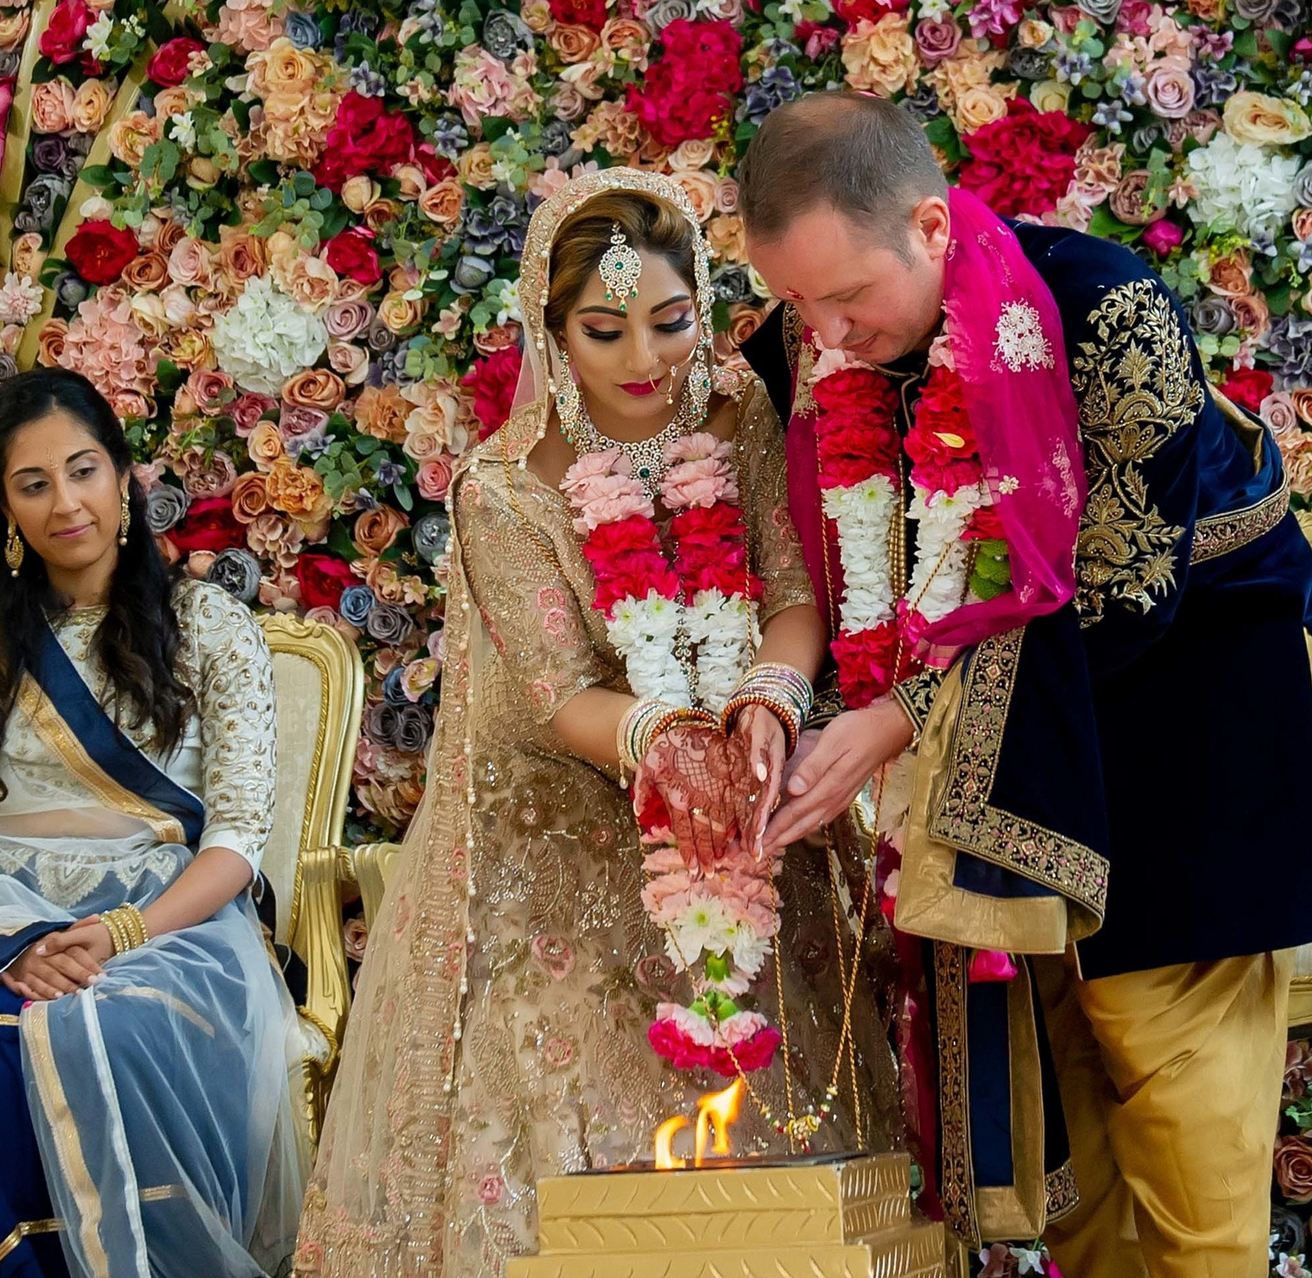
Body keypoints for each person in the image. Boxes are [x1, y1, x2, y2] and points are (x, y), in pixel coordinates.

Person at [737, 93, 1312, 1278]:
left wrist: (902, 718)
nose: (825, 334)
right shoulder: (815, 345)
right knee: (1061, 1113)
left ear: (931, 228)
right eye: (797, 303)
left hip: (1193, 706)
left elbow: (1120, 585)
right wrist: (784, 703)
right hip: (1011, 758)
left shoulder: (1105, 310)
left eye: (847, 297)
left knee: (1176, 1091)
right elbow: (819, 569)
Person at [296, 169, 902, 1278]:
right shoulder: (504, 489)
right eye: (604, 331)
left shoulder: (738, 409)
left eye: (670, 322)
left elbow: (788, 588)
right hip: (565, 832)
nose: (643, 361)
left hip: (742, 810)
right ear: (552, 331)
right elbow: (562, 689)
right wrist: (668, 741)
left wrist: (768, 698)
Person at [0, 367, 305, 1277]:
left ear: (124, 477)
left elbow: (236, 838)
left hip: (171, 929)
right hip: (0, 925)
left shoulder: (209, 626)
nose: (65, 503)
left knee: (107, 1034)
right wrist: (6, 947)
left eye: (83, 471)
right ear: (7, 508)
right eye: (33, 484)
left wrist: (121, 933)